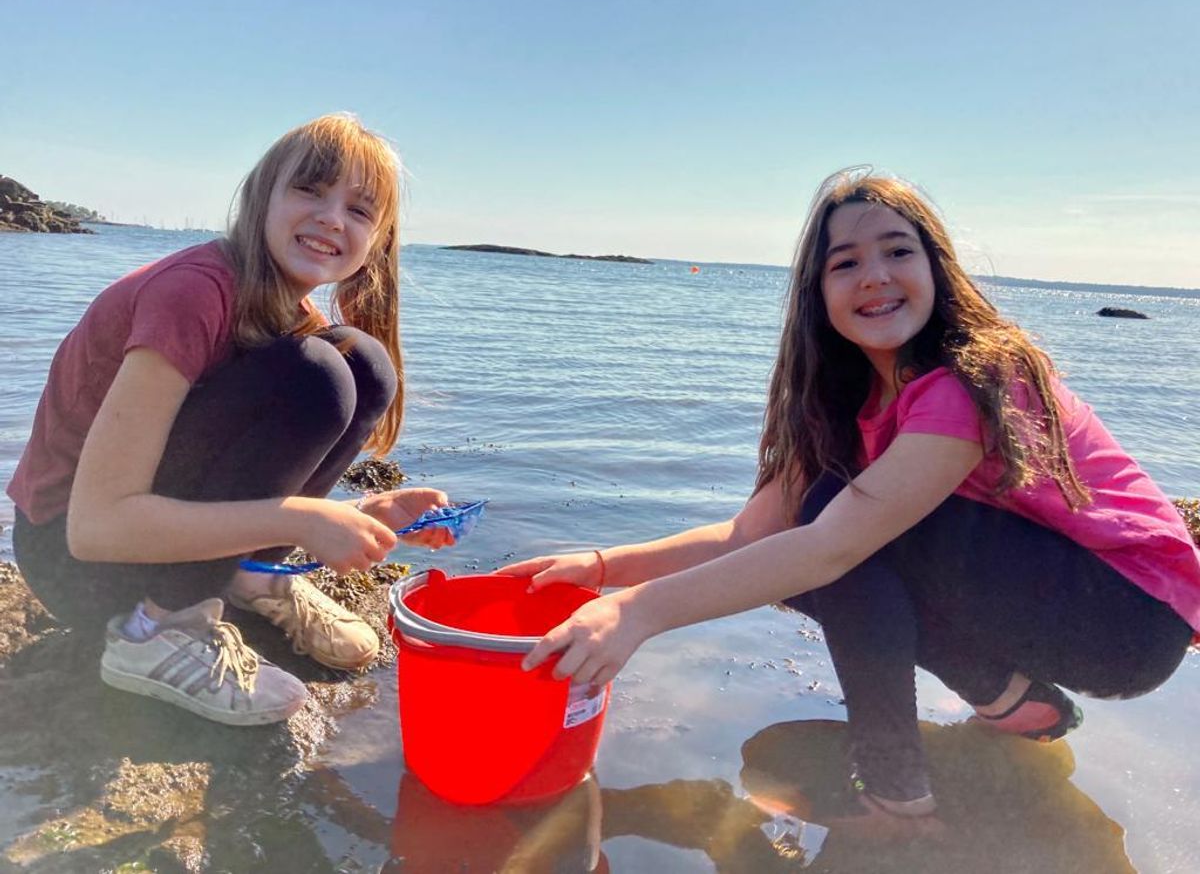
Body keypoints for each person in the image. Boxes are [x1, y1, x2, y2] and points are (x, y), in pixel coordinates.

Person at [497, 169, 1200, 826]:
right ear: (818, 292)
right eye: (845, 263)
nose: (875, 276)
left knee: (830, 523)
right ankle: (1010, 701)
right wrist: (602, 569)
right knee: (807, 536)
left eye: (897, 251)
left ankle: (894, 793)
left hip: (1129, 617)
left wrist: (636, 614)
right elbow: (748, 537)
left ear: (936, 268)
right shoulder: (847, 407)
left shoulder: (971, 378)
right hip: (1056, 603)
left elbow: (830, 545)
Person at [9, 113, 454, 726]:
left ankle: (251, 574)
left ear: (377, 240)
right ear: (260, 197)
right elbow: (94, 528)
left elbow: (241, 464)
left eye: (359, 209)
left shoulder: (286, 310)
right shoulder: (192, 293)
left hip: (136, 545)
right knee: (317, 376)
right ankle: (155, 631)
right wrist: (299, 519)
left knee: (364, 364)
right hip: (74, 559)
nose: (332, 218)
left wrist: (358, 513)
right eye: (310, 189)